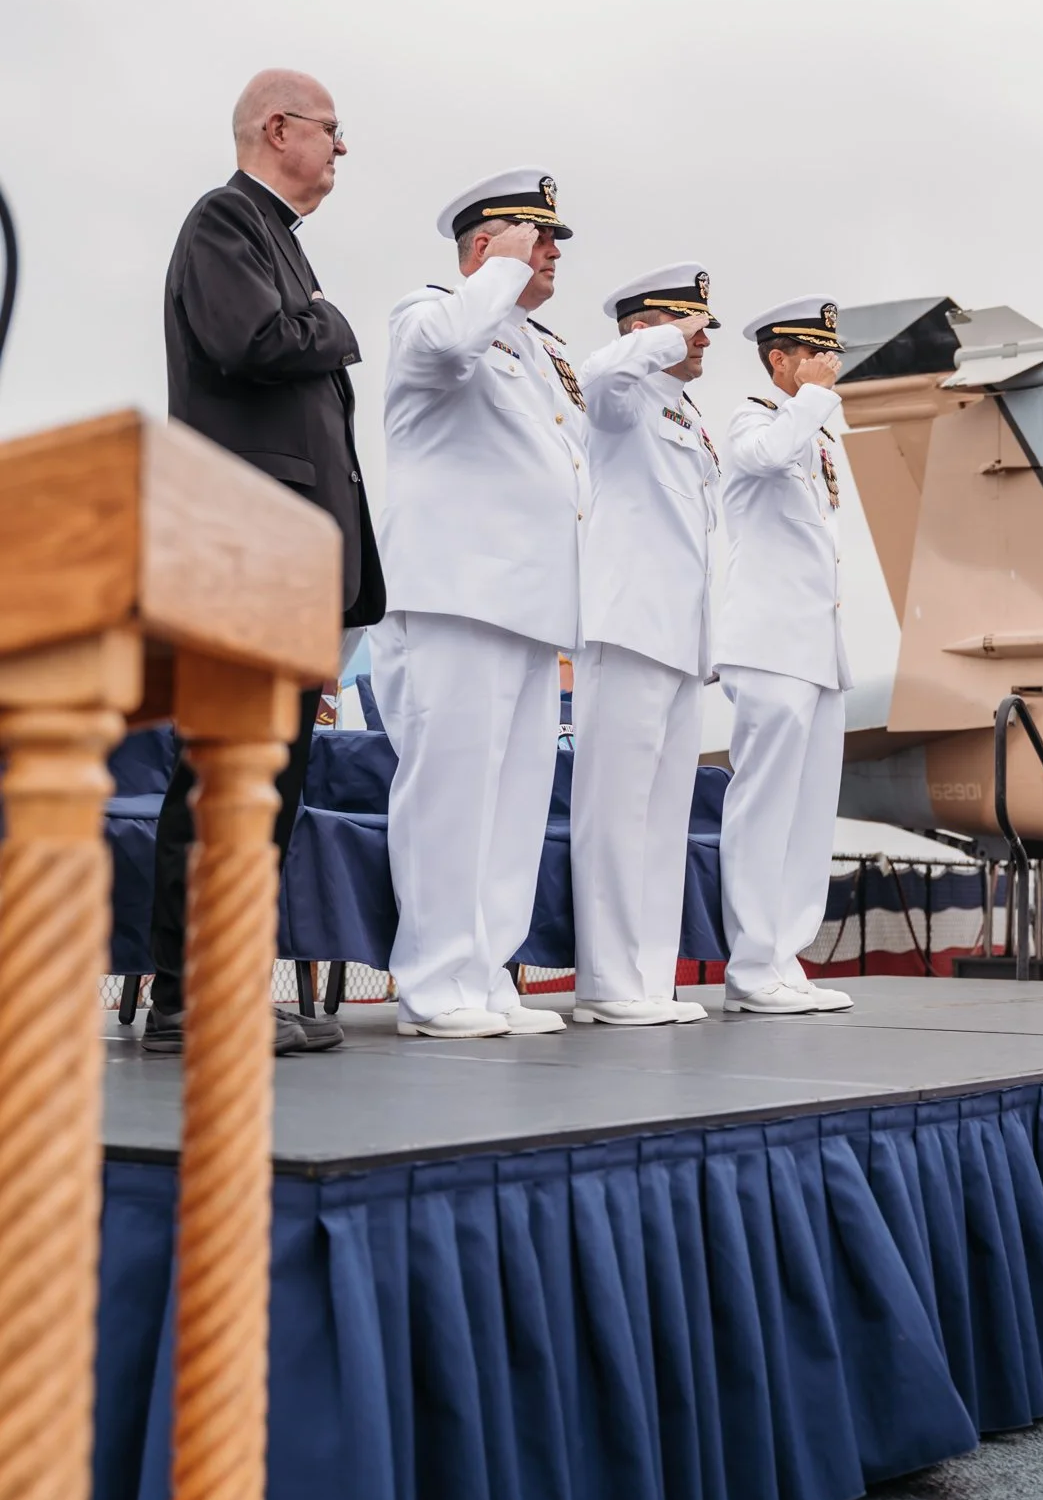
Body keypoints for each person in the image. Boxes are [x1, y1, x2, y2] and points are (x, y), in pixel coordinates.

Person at [145, 69, 386, 1055]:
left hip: (288, 564)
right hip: (244, 551)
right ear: (277, 128)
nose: (342, 149)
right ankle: (188, 996)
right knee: (226, 775)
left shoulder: (275, 241)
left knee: (267, 781)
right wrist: (334, 321)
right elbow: (253, 338)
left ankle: (224, 987)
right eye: (333, 130)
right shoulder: (224, 224)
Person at [369, 167, 586, 1039]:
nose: (549, 254)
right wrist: (495, 273)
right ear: (481, 245)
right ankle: (431, 983)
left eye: (553, 241)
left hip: (531, 601)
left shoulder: (533, 347)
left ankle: (486, 971)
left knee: (514, 798)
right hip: (456, 592)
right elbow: (442, 351)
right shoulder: (430, 311)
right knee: (452, 792)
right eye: (534, 238)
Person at [570, 264, 721, 1025]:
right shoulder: (623, 399)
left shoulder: (689, 417)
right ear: (643, 329)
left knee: (665, 819)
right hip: (627, 624)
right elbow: (596, 374)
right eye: (687, 325)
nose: (701, 341)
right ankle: (606, 982)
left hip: (679, 636)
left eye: (701, 328)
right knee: (615, 810)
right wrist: (656, 340)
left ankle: (648, 977)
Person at [712, 296, 854, 1016]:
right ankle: (750, 964)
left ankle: (782, 955)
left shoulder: (816, 434)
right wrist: (816, 401)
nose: (830, 367)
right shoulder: (755, 418)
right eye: (816, 355)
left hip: (814, 646)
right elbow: (761, 459)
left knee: (805, 814)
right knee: (763, 808)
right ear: (779, 360)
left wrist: (817, 407)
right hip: (768, 644)